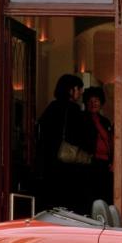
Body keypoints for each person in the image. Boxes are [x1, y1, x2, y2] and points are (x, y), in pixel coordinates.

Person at [36, 74, 88, 213]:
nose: (81, 92)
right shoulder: (73, 110)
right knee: (69, 204)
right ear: (71, 90)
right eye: (79, 88)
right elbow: (81, 136)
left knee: (53, 205)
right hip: (68, 165)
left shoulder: (51, 107)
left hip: (50, 164)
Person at [81, 86, 114, 210]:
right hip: (90, 164)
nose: (93, 103)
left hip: (105, 164)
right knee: (91, 196)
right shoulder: (82, 118)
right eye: (90, 101)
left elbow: (110, 142)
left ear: (101, 103)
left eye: (96, 100)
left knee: (105, 195)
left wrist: (112, 162)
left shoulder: (105, 121)